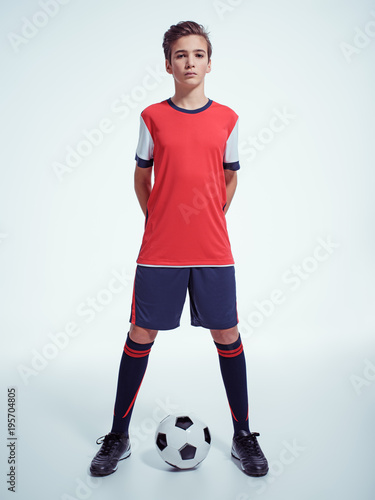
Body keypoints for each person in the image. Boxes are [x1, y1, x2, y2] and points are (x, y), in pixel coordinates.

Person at [89, 20, 268, 478]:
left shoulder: (227, 118)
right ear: (168, 64)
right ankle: (118, 436)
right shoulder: (152, 117)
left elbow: (230, 175)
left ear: (210, 62)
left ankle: (244, 437)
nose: (190, 62)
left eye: (198, 54)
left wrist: (212, 212)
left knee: (227, 335)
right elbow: (140, 175)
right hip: (160, 250)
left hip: (213, 250)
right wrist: (159, 217)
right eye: (181, 55)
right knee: (140, 335)